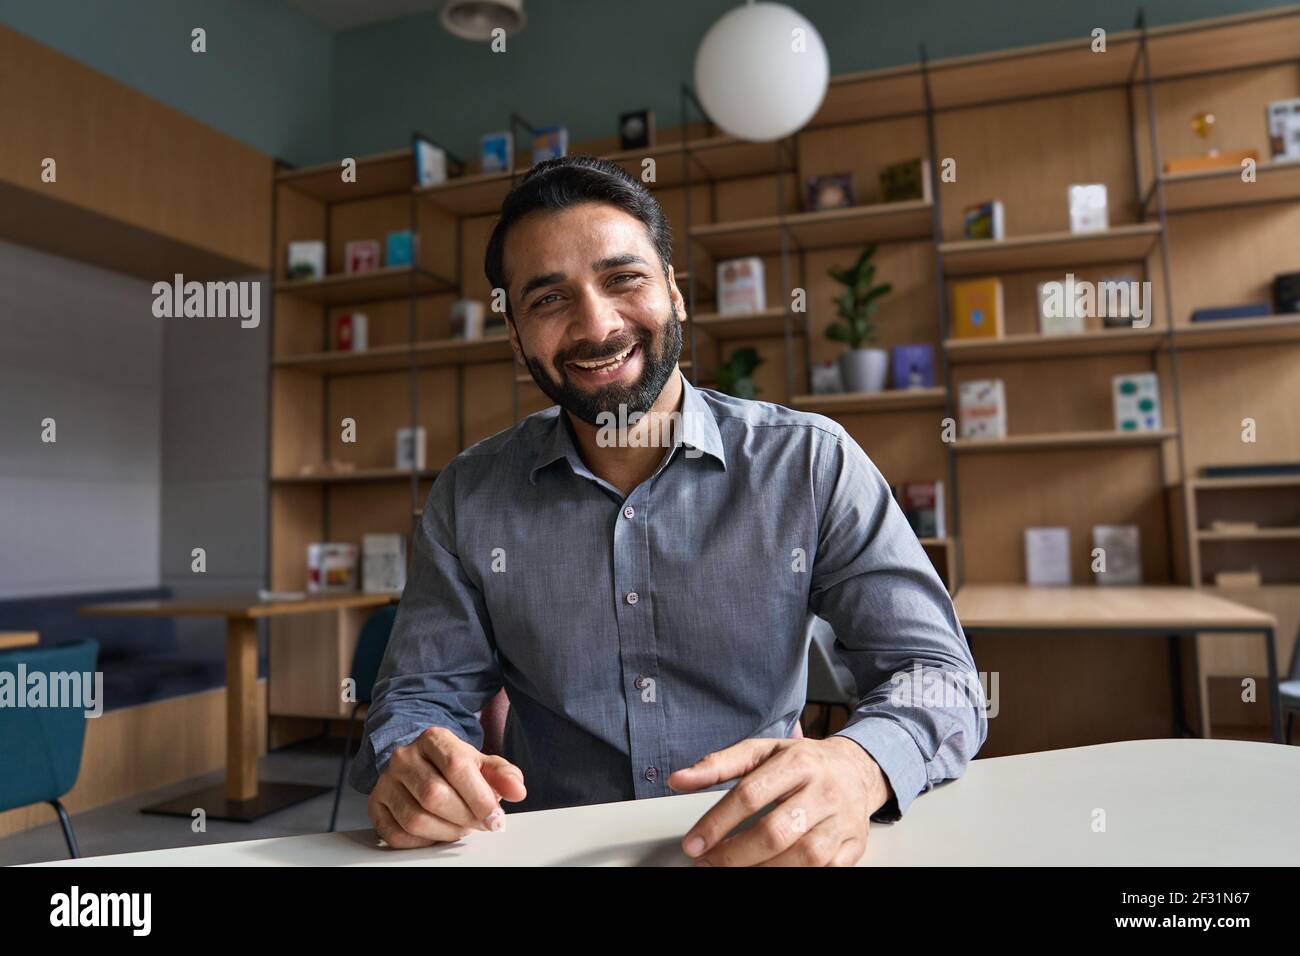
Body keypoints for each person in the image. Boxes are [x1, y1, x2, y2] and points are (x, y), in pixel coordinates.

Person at [351, 155, 986, 866]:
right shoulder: (469, 497)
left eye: (624, 280)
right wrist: (410, 764)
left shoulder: (809, 464)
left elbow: (938, 674)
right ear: (515, 335)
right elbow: (418, 699)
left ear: (675, 295)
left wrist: (860, 765)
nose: (597, 325)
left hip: (772, 848)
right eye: (549, 299)